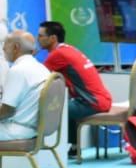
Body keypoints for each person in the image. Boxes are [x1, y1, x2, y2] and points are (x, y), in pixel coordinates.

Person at [37, 21, 112, 157]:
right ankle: (74, 147)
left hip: (93, 102)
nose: (38, 39)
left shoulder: (57, 55)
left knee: (53, 108)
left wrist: (28, 55)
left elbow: (37, 77)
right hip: (101, 100)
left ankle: (43, 150)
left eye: (41, 36)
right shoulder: (68, 49)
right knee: (65, 105)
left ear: (53, 38)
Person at [0, 31, 51, 143]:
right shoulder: (41, 68)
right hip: (32, 128)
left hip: (17, 129)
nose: (3, 48)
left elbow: (7, 111)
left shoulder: (18, 70)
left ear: (16, 47)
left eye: (6, 43)